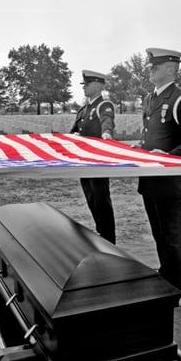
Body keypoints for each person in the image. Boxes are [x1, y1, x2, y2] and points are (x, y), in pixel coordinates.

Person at [138, 48, 181, 293]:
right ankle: (165, 275)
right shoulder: (150, 98)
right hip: (150, 180)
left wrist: (170, 156)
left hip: (171, 183)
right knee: (159, 235)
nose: (150, 70)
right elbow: (153, 135)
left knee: (172, 239)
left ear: (170, 69)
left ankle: (173, 289)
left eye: (154, 66)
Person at [70, 70, 116, 243]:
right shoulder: (83, 110)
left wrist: (106, 134)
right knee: (91, 200)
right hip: (84, 163)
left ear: (98, 85)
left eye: (87, 84)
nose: (84, 87)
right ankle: (102, 235)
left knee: (101, 202)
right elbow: (74, 131)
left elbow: (107, 121)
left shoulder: (103, 105)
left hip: (97, 163)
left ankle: (109, 240)